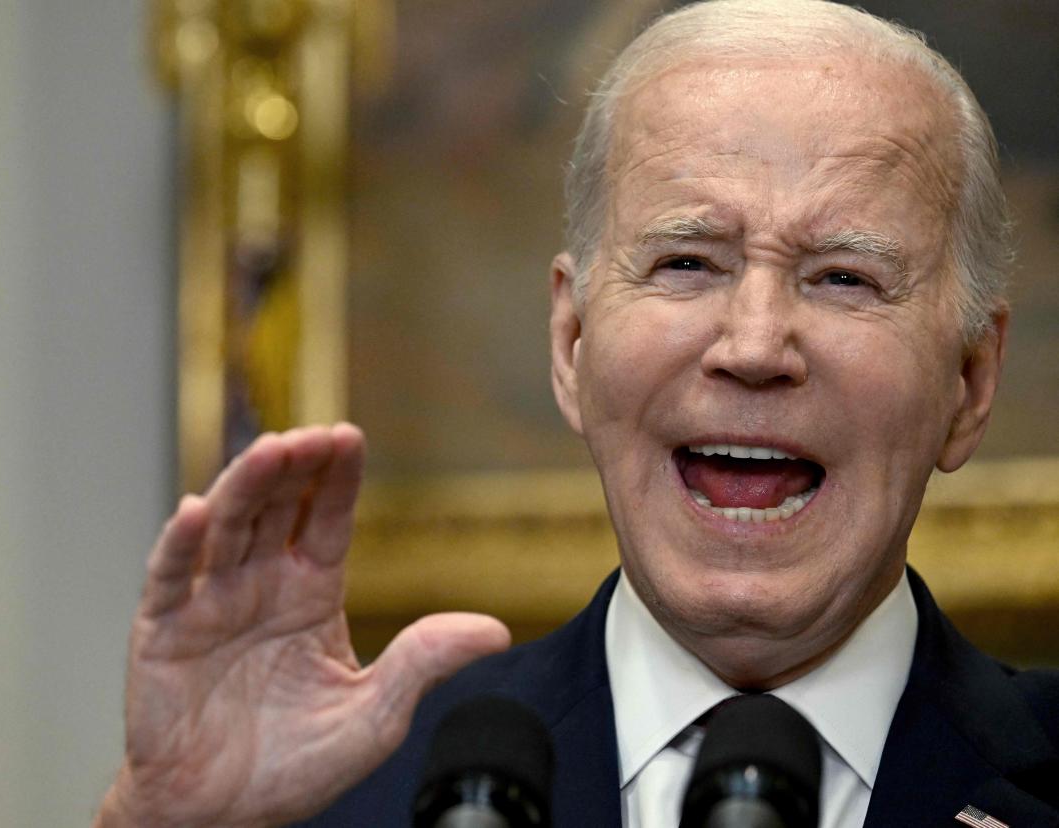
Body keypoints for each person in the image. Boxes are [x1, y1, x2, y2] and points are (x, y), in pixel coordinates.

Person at [94, 2, 1059, 826]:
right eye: (687, 263)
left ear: (970, 383)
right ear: (570, 346)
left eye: (844, 278)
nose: (756, 346)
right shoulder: (354, 792)